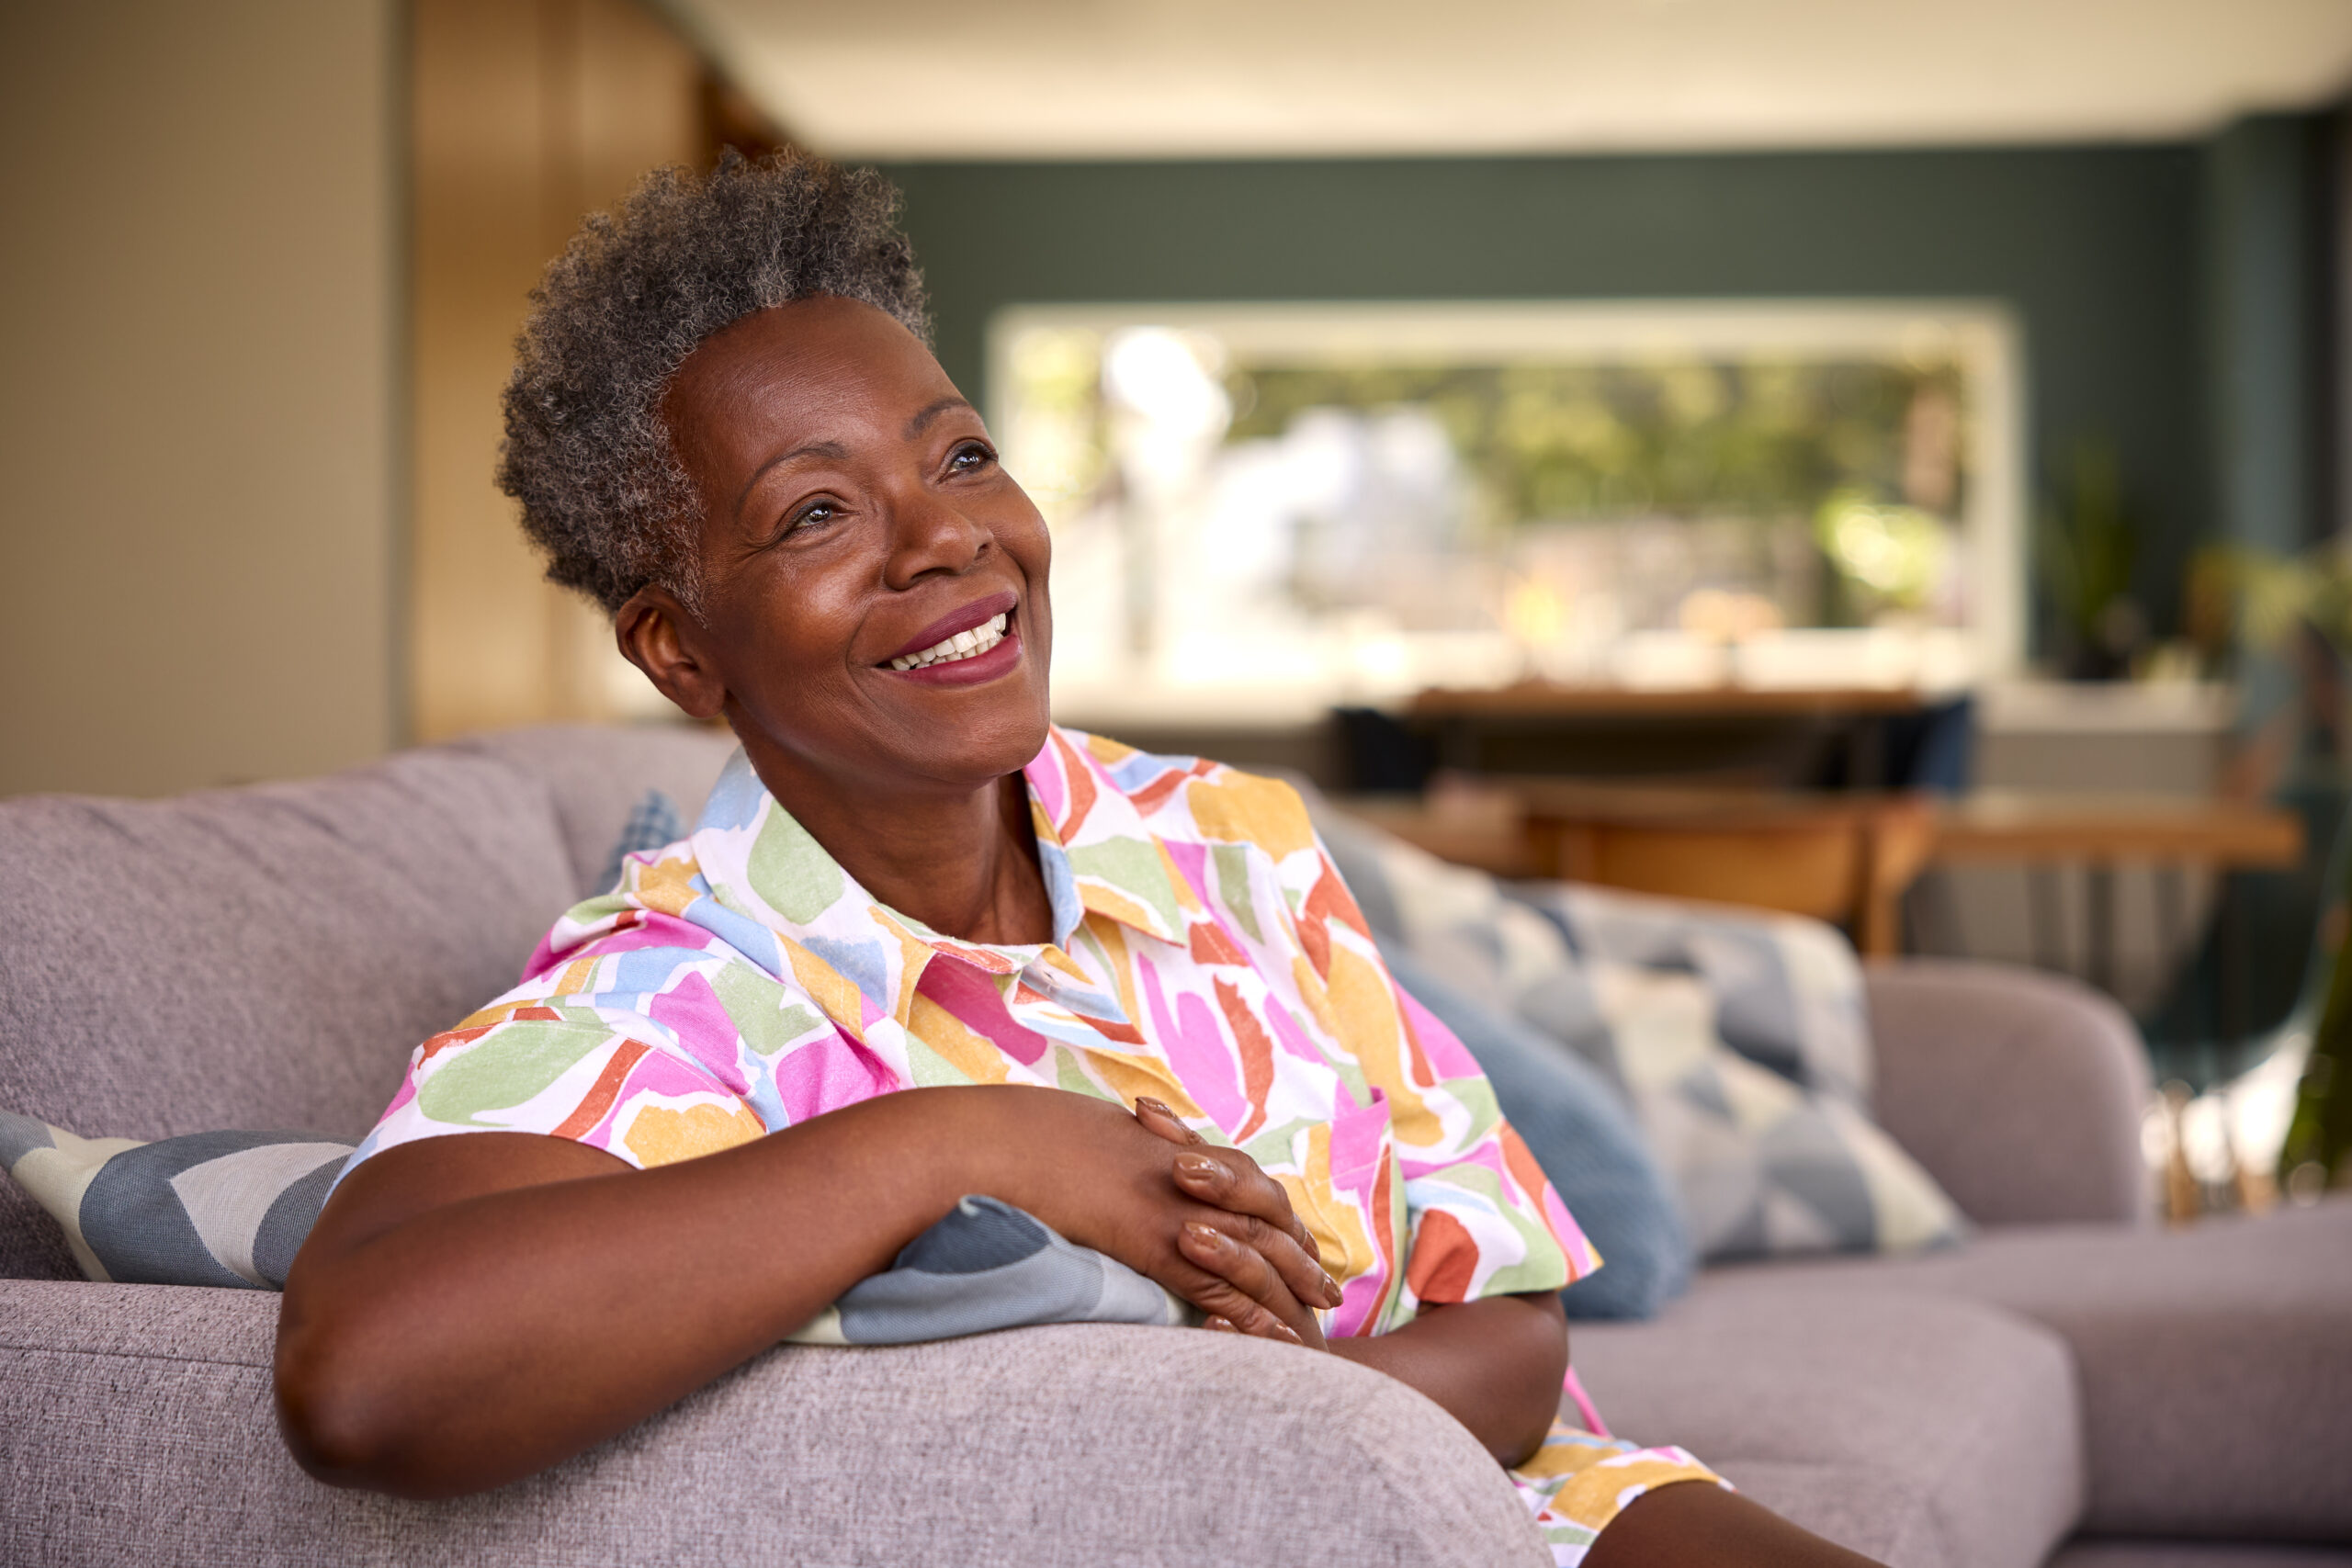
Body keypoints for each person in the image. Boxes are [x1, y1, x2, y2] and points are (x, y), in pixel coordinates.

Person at [275, 152, 1882, 1568]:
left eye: (960, 456)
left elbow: (1518, 1331)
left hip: (1539, 1511)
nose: (948, 537)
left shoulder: (1224, 843)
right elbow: (367, 1378)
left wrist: (1304, 1434)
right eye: (820, 513)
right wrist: (964, 1142)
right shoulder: (682, 1004)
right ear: (681, 652)